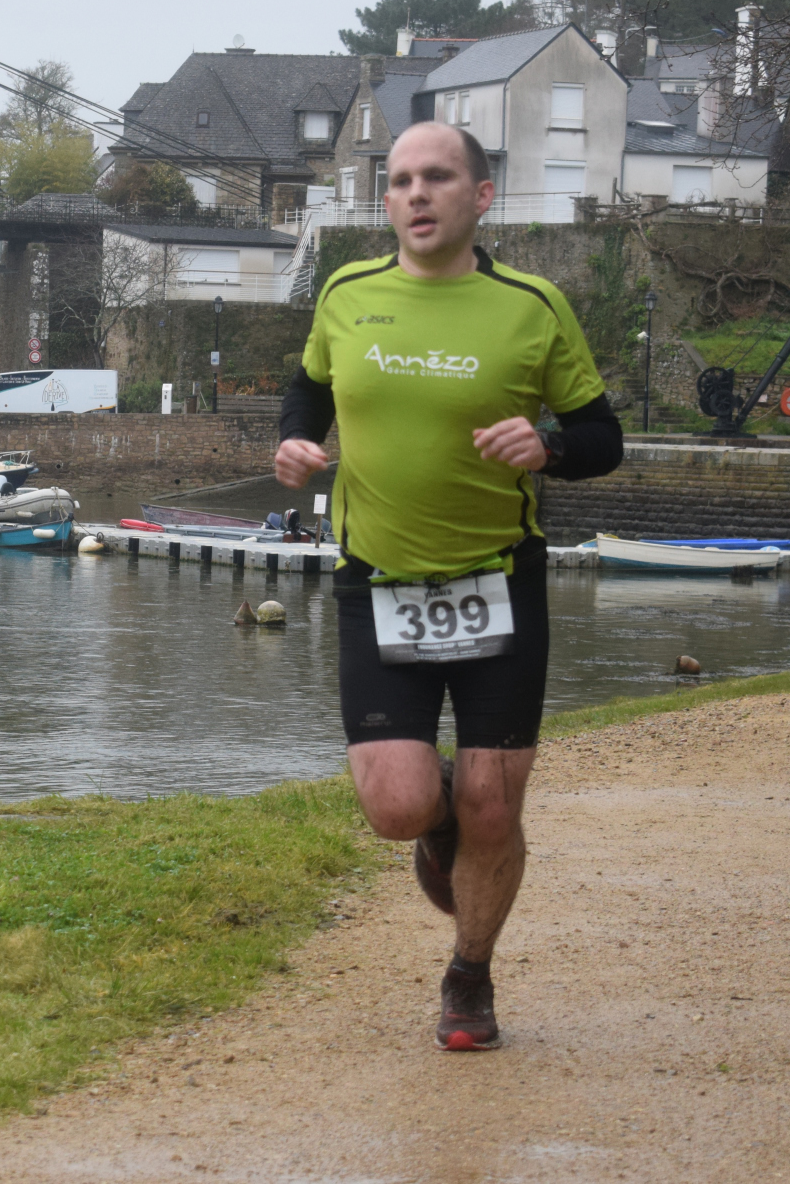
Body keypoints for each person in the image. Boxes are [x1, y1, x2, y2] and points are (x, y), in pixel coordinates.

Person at [273, 121, 623, 1052]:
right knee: (396, 806)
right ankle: (438, 829)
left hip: (499, 580)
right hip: (377, 581)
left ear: (481, 196)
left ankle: (470, 974)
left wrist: (549, 444)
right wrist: (296, 439)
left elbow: (603, 436)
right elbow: (309, 388)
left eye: (436, 177)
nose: (416, 194)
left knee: (493, 806)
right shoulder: (346, 293)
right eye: (399, 181)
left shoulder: (532, 306)